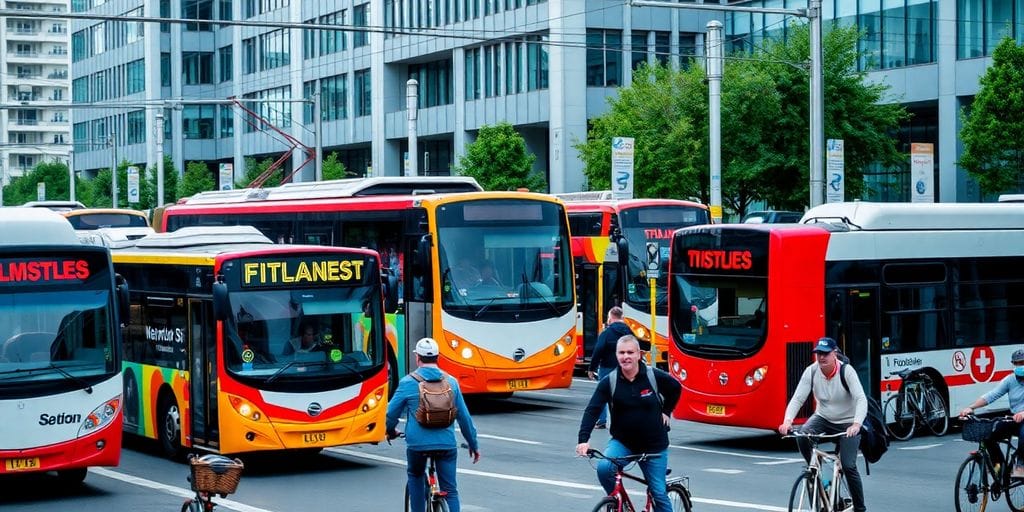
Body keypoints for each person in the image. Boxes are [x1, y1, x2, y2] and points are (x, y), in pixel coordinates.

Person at [576, 335, 682, 512]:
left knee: (658, 493)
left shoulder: (652, 376)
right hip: (623, 443)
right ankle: (618, 504)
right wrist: (583, 439)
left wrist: (666, 411)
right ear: (616, 355)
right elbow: (592, 410)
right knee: (604, 468)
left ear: (639, 354)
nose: (626, 356)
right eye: (621, 352)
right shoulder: (609, 381)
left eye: (630, 352)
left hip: (653, 447)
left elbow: (676, 388)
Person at [386, 338, 481, 512]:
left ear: (418, 358)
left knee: (415, 475)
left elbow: (390, 415)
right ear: (438, 357)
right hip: (446, 444)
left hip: (417, 445)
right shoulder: (451, 382)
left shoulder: (408, 382)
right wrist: (473, 445)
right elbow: (465, 418)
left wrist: (390, 431)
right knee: (450, 490)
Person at [778, 337, 868, 512]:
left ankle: (860, 508)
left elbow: (861, 399)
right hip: (824, 417)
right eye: (818, 353)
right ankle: (814, 470)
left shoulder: (846, 371)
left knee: (848, 465)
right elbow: (798, 398)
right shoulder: (811, 372)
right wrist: (787, 421)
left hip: (848, 422)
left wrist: (856, 424)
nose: (821, 358)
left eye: (825, 354)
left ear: (835, 354)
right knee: (803, 436)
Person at [959, 348, 1024, 478]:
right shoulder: (1010, 380)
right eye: (1017, 363)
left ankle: (1021, 465)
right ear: (1013, 364)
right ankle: (1000, 468)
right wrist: (971, 407)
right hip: (1014, 419)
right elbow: (991, 396)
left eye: (1023, 363)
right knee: (988, 436)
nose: (1020, 366)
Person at [588, 306, 635, 429]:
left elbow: (598, 350)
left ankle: (602, 420)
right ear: (622, 318)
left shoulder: (607, 333)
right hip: (626, 368)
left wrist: (592, 368)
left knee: (603, 393)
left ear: (610, 318)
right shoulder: (629, 332)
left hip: (607, 367)